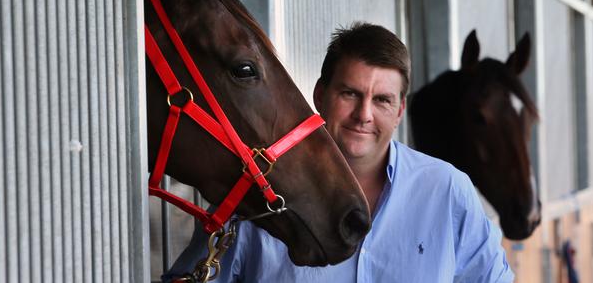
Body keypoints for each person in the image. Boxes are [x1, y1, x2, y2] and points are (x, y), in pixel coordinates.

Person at [164, 23, 514, 282]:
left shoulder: (448, 192)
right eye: (350, 93)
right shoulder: (258, 195)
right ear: (319, 95)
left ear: (400, 110)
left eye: (381, 100)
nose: (364, 114)